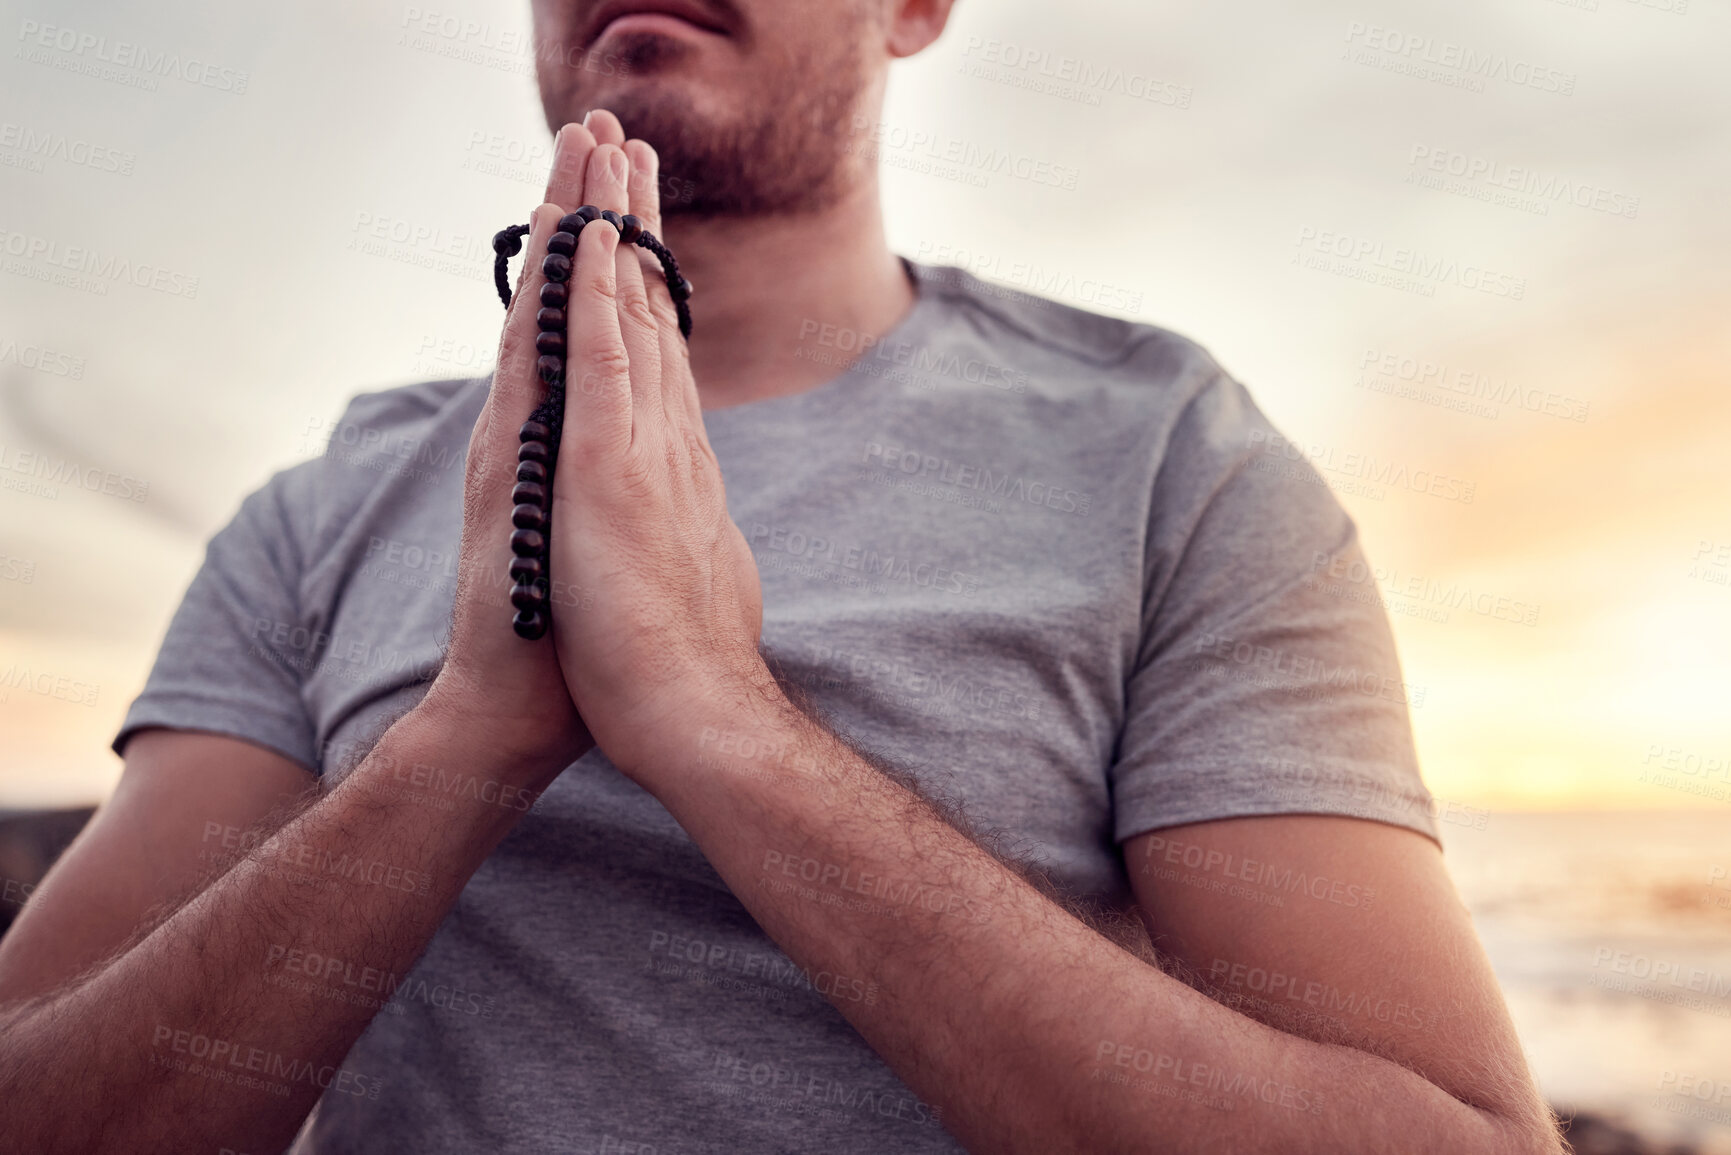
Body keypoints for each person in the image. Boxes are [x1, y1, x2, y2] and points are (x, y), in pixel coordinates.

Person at [0, 1, 1564, 1151]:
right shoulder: (324, 507)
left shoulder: (1165, 456)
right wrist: (467, 736)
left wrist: (711, 715)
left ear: (916, 9)